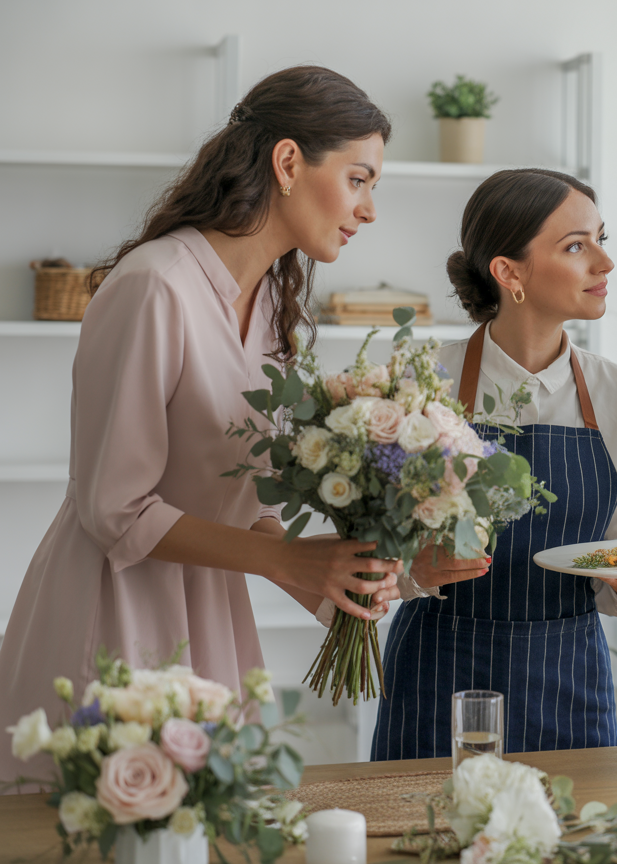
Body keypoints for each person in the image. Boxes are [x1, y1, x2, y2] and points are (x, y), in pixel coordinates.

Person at [0, 66, 403, 788]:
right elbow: (113, 507)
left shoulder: (272, 302)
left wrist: (325, 578)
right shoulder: (155, 287)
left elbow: (228, 501)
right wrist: (290, 563)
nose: (369, 209)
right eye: (359, 179)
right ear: (287, 163)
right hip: (116, 604)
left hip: (210, 603)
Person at [373, 169, 617, 759]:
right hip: (440, 672)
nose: (604, 264)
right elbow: (371, 557)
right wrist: (416, 570)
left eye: (601, 240)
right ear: (508, 273)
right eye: (576, 246)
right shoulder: (417, 384)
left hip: (569, 679)